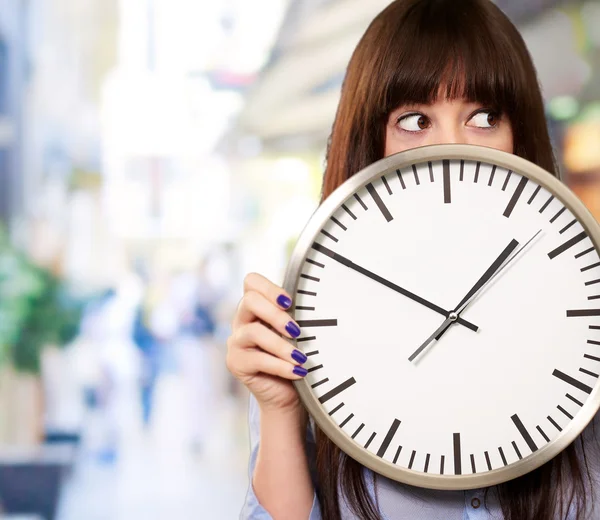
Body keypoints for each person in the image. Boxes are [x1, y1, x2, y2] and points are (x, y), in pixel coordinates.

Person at [226, 1, 599, 518]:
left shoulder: (584, 303)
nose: (451, 147)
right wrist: (279, 408)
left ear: (521, 134)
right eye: (415, 120)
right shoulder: (309, 315)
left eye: (484, 117)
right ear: (371, 140)